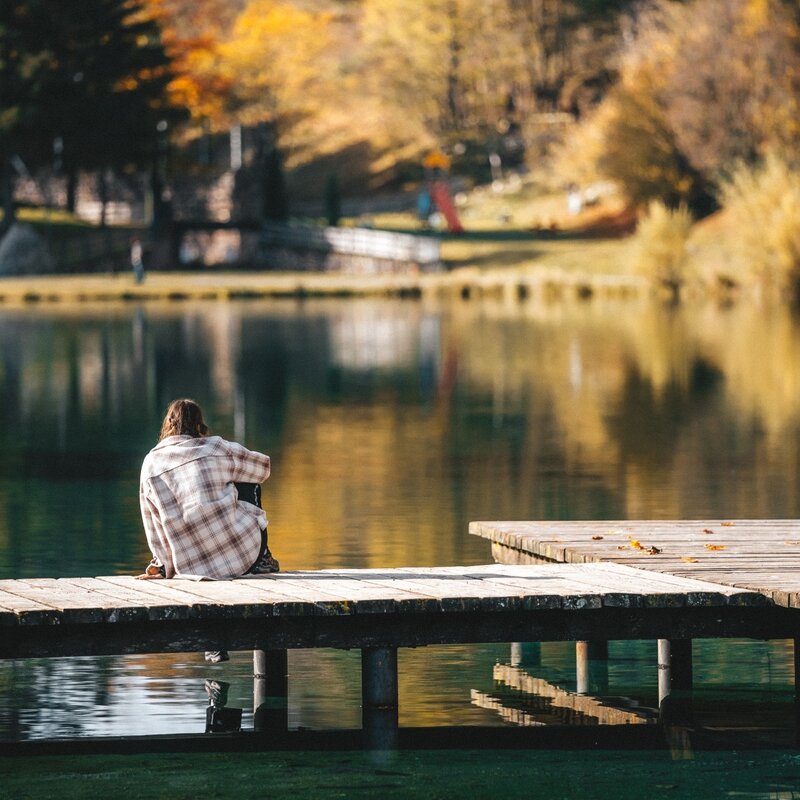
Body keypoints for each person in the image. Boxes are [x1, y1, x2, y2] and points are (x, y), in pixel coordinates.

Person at [137, 398, 279, 662]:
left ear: (167, 425)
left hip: (188, 565)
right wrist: (226, 470)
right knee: (249, 483)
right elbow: (263, 469)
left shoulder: (150, 464)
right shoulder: (216, 447)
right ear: (199, 424)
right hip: (243, 555)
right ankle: (265, 560)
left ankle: (214, 642)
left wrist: (164, 565)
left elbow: (153, 522)